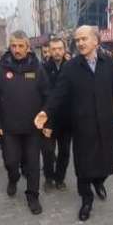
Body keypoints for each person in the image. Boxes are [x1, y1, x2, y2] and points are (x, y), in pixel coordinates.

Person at [34, 26, 113, 222]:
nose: (80, 43)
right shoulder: (71, 67)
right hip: (83, 126)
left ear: (95, 41)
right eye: (77, 40)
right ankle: (87, 199)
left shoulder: (108, 63)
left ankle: (99, 181)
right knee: (83, 167)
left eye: (84, 39)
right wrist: (45, 112)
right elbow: (58, 94)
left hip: (106, 124)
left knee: (107, 163)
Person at [0, 31, 49, 215]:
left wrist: (45, 119)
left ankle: (33, 196)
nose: (17, 50)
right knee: (11, 162)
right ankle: (13, 178)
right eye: (13, 46)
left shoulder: (37, 68)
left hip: (32, 128)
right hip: (9, 129)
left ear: (28, 47)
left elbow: (47, 96)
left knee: (32, 165)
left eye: (21, 46)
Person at [42, 37, 72, 191]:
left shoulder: (72, 67)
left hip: (66, 120)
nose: (57, 52)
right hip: (48, 119)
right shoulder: (43, 69)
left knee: (65, 152)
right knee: (48, 152)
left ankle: (60, 178)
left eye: (60, 48)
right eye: (53, 49)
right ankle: (48, 178)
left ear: (64, 49)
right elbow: (41, 95)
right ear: (49, 50)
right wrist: (46, 122)